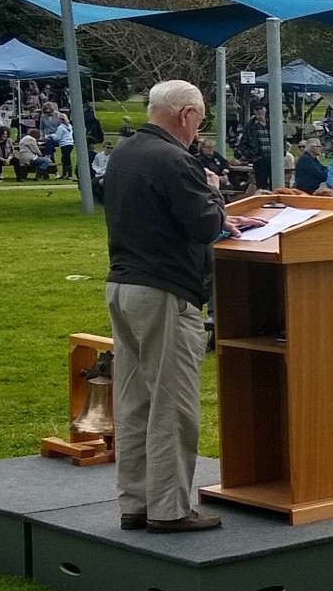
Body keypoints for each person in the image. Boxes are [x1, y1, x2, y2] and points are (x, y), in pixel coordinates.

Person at [104, 82, 262, 534]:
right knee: (172, 405)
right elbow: (201, 224)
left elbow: (158, 213)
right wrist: (214, 193)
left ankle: (134, 503)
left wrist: (215, 212)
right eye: (201, 118)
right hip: (166, 292)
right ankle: (170, 509)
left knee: (134, 401)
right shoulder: (177, 159)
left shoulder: (126, 152)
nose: (199, 128)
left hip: (122, 285)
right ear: (187, 115)